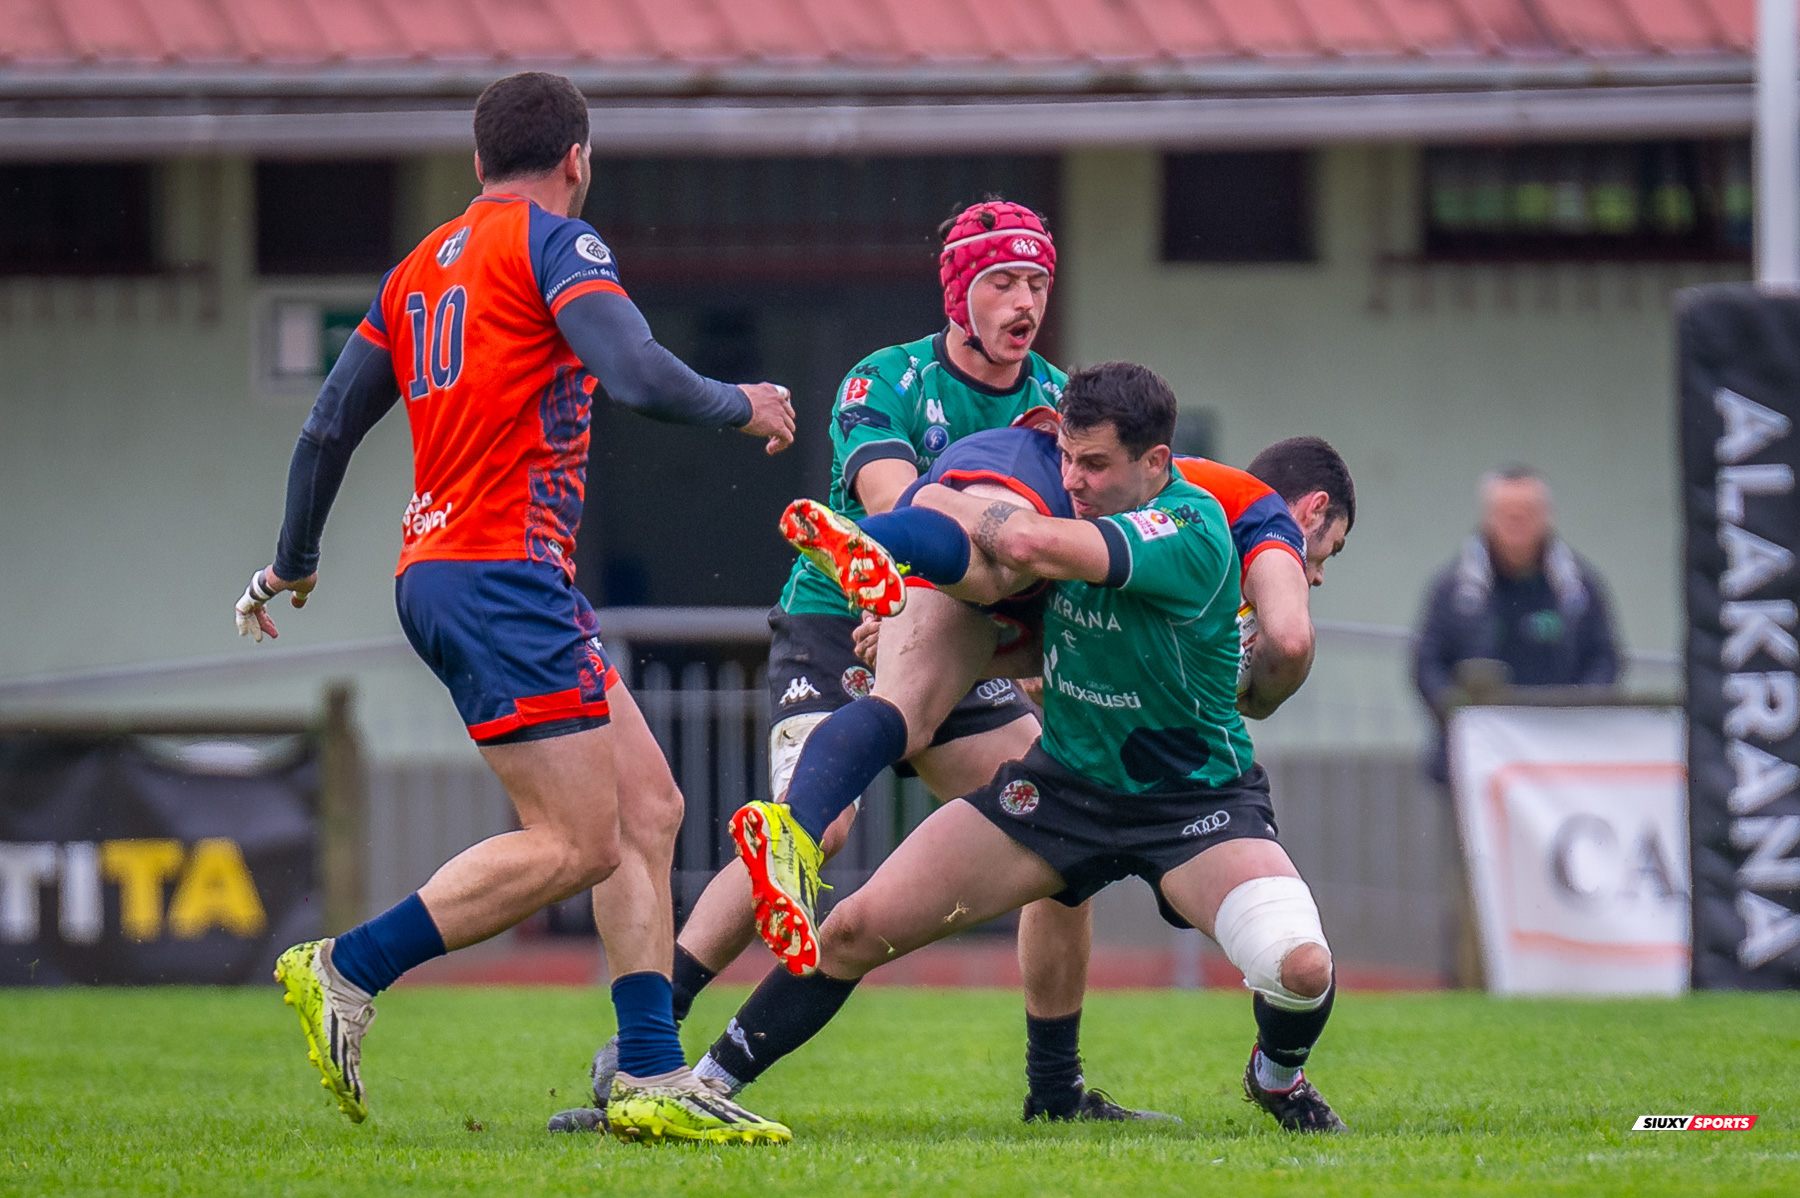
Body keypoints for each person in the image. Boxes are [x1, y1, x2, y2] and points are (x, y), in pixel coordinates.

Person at [232, 71, 797, 1144]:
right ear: (577, 157)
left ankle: (646, 1072)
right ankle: (350, 965)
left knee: (649, 812)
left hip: (455, 571)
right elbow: (630, 369)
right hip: (501, 573)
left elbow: (325, 428)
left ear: (477, 160)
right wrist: (743, 405)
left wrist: (290, 562)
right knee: (577, 841)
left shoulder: (417, 268)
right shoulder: (555, 244)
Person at [557, 199, 1171, 1128]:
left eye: (1039, 282)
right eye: (1003, 280)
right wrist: (919, 583)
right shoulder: (884, 379)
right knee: (822, 828)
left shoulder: (1059, 400)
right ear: (960, 290)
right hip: (840, 623)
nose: (1024, 301)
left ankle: (1056, 1092)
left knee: (1063, 839)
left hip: (965, 640)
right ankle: (649, 1033)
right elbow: (891, 493)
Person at [696, 362, 1350, 1134]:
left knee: (1299, 966)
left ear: (1156, 465)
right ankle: (700, 1084)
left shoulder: (1190, 527)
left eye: (1095, 464)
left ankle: (1276, 1078)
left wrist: (930, 497)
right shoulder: (1083, 513)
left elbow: (1034, 543)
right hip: (1063, 791)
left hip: (1192, 804)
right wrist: (910, 640)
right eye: (1068, 459)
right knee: (850, 930)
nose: (1074, 480)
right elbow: (1036, 640)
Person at [1412, 464, 1620, 987]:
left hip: (1562, 776)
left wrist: (1574, 720)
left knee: (1563, 875)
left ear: (1545, 518)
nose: (1516, 526)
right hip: (1471, 776)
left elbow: (1606, 661)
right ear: (1488, 518)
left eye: (1526, 514)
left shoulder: (1578, 590)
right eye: (1507, 515)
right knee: (1473, 884)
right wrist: (1461, 719)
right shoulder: (1455, 589)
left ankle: (1565, 977)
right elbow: (1425, 666)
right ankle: (1467, 982)